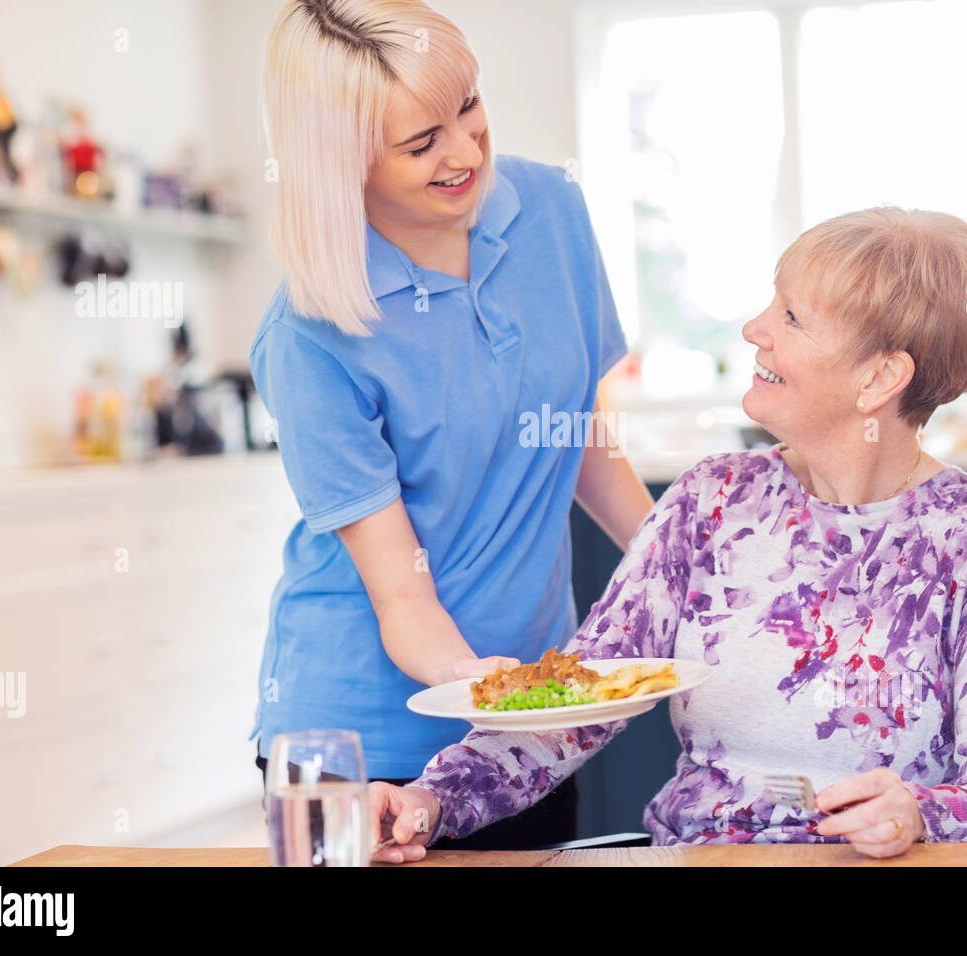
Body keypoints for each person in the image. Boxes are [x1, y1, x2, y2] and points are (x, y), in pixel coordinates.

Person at [369, 206, 967, 862]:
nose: (756, 329)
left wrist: (920, 815)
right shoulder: (713, 499)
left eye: (791, 317)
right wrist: (432, 801)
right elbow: (581, 701)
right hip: (704, 859)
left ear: (878, 377)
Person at [249, 0, 653, 849]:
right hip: (366, 738)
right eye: (421, 141)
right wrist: (489, 688)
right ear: (342, 160)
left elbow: (579, 439)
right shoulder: (311, 335)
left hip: (526, 731)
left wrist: (690, 567)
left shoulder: (551, 212)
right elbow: (401, 596)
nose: (467, 152)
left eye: (469, 107)